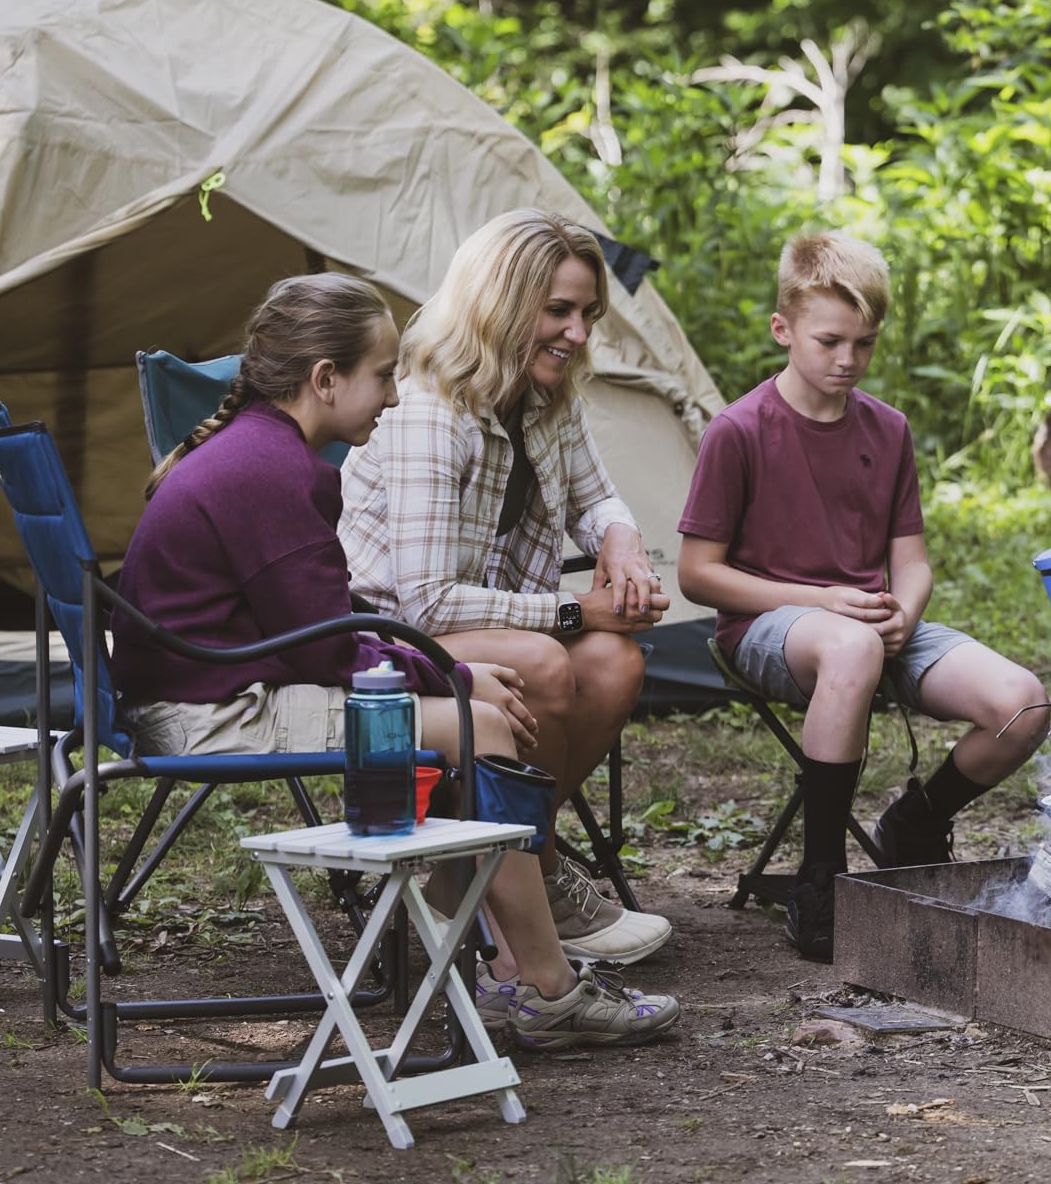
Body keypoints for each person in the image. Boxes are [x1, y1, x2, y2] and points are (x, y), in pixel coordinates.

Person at [114, 271, 677, 1050]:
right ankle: (542, 984)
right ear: (324, 379)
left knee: (475, 719)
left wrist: (435, 670)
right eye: (381, 375)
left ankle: (503, 952)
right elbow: (325, 649)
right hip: (212, 714)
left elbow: (321, 633)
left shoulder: (257, 450)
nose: (390, 394)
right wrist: (449, 672)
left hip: (212, 684)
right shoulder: (274, 472)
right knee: (480, 725)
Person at [678, 233, 1051, 962]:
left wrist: (904, 611)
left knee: (1024, 702)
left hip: (873, 627)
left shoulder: (887, 429)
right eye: (830, 341)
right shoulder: (738, 431)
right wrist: (822, 600)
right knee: (847, 644)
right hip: (768, 628)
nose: (847, 359)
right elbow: (698, 574)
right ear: (783, 329)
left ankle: (915, 819)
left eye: (865, 344)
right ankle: (822, 878)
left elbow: (910, 562)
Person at [338, 211, 674, 966]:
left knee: (616, 661)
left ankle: (467, 875)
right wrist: (572, 609)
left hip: (480, 622)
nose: (578, 332)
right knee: (551, 661)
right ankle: (542, 880)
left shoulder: (546, 396)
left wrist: (618, 538)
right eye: (558, 310)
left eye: (587, 313)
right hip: (386, 644)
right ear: (501, 303)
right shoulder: (431, 408)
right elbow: (423, 597)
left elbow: (595, 497)